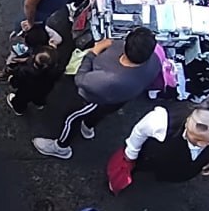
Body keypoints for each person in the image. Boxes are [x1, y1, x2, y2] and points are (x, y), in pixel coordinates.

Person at [32, 27, 161, 159]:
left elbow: (80, 79)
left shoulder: (109, 79)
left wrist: (93, 52)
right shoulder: (155, 62)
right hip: (117, 100)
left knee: (71, 118)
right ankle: (88, 127)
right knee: (99, 114)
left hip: (93, 98)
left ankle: (61, 147)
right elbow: (115, 44)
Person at [122, 99, 209, 183]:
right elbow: (139, 131)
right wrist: (131, 154)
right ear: (188, 121)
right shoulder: (161, 120)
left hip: (185, 172)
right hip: (155, 159)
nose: (201, 145)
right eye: (197, 139)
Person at [3, 43, 61, 116]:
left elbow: (16, 82)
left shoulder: (24, 72)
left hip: (26, 91)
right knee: (40, 97)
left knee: (20, 100)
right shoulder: (55, 72)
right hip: (44, 89)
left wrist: (11, 79)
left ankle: (19, 109)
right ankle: (39, 104)